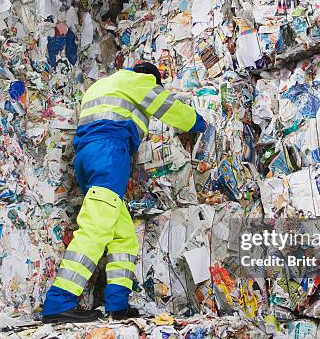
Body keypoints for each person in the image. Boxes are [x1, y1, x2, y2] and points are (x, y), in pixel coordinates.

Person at [42, 62, 206, 323]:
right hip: (109, 153)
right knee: (96, 228)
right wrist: (198, 123)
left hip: (86, 159)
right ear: (149, 79)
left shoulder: (100, 86)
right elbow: (168, 107)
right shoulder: (136, 82)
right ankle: (58, 302)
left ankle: (117, 304)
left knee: (123, 236)